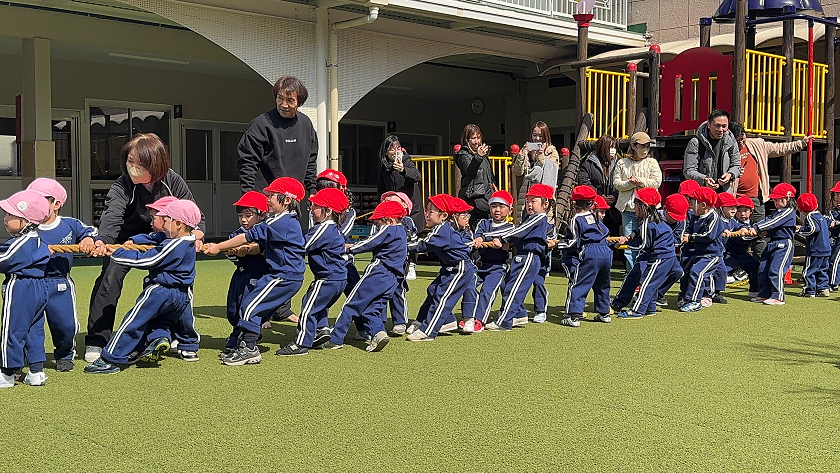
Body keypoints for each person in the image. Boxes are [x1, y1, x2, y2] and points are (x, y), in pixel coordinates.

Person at [85, 133, 205, 363]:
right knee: (109, 278)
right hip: (126, 239)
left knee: (173, 282)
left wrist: (194, 236)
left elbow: (195, 215)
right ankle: (97, 340)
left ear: (155, 164)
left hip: (164, 237)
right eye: (129, 161)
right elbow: (112, 215)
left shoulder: (172, 181)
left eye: (139, 163)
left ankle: (173, 334)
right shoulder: (122, 184)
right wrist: (104, 241)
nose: (132, 167)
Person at [84, 199, 201, 374]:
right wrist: (133, 242)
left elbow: (149, 260)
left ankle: (110, 359)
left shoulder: (173, 244)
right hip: (182, 294)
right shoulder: (188, 241)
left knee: (133, 321)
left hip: (160, 291)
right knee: (160, 322)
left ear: (178, 224)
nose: (162, 224)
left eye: (166, 220)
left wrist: (117, 253)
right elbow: (154, 238)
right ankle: (160, 341)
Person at [203, 177, 306, 366]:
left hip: (284, 276)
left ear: (287, 200)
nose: (268, 199)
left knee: (250, 305)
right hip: (283, 275)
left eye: (272, 195)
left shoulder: (282, 222)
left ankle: (249, 348)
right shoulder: (283, 221)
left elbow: (246, 237)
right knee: (250, 306)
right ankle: (245, 342)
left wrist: (218, 246)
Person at [26, 178, 97, 372]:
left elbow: (90, 231)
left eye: (40, 200)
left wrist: (88, 239)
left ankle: (64, 354)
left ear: (56, 204)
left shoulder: (70, 225)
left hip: (60, 283)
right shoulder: (28, 227)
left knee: (65, 324)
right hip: (33, 282)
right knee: (31, 325)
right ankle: (34, 358)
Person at [325, 200, 408, 352]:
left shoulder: (389, 229)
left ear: (389, 220)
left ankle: (335, 339)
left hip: (378, 272)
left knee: (351, 305)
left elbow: (369, 242)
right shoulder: (402, 232)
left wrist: (347, 248)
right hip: (393, 278)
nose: (376, 224)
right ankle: (379, 333)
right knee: (372, 310)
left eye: (378, 221)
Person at [277, 188, 349, 356]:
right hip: (336, 278)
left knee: (308, 307)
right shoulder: (333, 229)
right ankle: (321, 330)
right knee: (317, 303)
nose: (311, 209)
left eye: (315, 206)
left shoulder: (324, 229)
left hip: (328, 278)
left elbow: (302, 245)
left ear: (328, 211)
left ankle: (301, 343)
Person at [729, 121, 811, 255]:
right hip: (735, 199)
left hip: (756, 197)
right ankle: (735, 261)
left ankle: (762, 261)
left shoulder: (757, 144)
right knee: (734, 232)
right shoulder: (726, 151)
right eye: (737, 141)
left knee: (759, 234)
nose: (741, 142)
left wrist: (801, 143)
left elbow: (779, 148)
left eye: (742, 138)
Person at [483, 184, 555, 331]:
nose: (529, 205)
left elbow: (520, 231)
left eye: (533, 201)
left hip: (528, 256)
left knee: (514, 289)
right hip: (521, 256)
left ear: (545, 204)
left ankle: (504, 321)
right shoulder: (531, 218)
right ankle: (519, 314)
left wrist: (502, 239)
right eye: (527, 201)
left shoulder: (539, 218)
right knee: (507, 285)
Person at [405, 195, 476, 342]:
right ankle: (448, 321)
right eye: (426, 211)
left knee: (443, 298)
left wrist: (401, 246)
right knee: (433, 290)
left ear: (444, 216)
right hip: (450, 267)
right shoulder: (442, 228)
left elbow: (423, 245)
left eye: (431, 212)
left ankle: (428, 331)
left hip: (459, 267)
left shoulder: (442, 230)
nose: (427, 214)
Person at [0, 190, 51, 388]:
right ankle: (36, 371)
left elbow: (4, 259)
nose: (5, 219)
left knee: (12, 329)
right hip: (39, 287)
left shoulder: (20, 242)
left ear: (27, 221)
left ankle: (7, 372)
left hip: (20, 287)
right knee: (34, 329)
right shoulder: (38, 240)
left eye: (10, 215)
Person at [237, 75, 318, 196]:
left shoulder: (306, 125)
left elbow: (311, 161)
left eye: (290, 100)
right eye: (280, 98)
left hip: (294, 198)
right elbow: (248, 161)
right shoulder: (261, 124)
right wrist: (248, 194)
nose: (284, 105)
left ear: (299, 102)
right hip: (265, 196)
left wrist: (312, 189)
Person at [612, 188, 680, 319]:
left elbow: (642, 246)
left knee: (647, 283)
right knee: (650, 281)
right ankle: (650, 307)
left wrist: (625, 243)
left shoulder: (648, 223)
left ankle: (637, 310)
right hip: (667, 257)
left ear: (645, 206)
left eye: (636, 203)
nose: (634, 206)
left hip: (659, 258)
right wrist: (635, 233)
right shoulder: (655, 219)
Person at [219, 192, 269, 358]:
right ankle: (244, 331)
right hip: (241, 275)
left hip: (259, 276)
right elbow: (231, 256)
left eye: (248, 215)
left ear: (261, 215)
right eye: (241, 216)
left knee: (246, 307)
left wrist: (258, 249)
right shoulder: (235, 235)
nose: (244, 220)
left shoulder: (266, 232)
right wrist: (236, 254)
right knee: (233, 309)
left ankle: (239, 338)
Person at [555, 185, 612, 327]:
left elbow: (573, 241)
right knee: (603, 283)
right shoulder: (594, 216)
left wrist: (557, 244)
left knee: (580, 282)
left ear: (574, 203)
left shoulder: (576, 218)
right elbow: (605, 231)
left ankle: (573, 315)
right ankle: (604, 313)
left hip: (590, 251)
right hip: (605, 251)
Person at [466, 190, 515, 333]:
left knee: (487, 291)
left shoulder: (510, 227)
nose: (497, 210)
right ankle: (468, 316)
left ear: (510, 210)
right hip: (480, 265)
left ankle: (479, 320)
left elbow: (508, 239)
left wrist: (502, 243)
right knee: (469, 285)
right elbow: (478, 235)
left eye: (501, 206)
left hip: (497, 267)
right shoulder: (484, 223)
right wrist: (479, 238)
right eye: (494, 206)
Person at [613, 131, 662, 269]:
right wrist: (630, 183)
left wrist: (640, 181)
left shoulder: (652, 162)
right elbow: (616, 183)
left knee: (647, 242)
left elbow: (656, 182)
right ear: (633, 146)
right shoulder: (622, 163)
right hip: (628, 208)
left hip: (648, 210)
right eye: (642, 146)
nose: (646, 149)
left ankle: (646, 272)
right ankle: (631, 274)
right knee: (629, 244)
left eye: (647, 146)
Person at [746, 183, 797, 305]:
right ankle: (764, 294)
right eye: (774, 200)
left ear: (787, 198)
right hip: (772, 243)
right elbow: (768, 220)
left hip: (783, 244)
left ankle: (778, 296)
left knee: (776, 270)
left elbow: (773, 222)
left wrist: (757, 227)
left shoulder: (788, 212)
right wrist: (753, 228)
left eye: (777, 200)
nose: (775, 202)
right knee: (763, 269)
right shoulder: (776, 212)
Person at [679, 187, 724, 313]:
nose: (690, 205)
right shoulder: (695, 216)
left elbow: (709, 235)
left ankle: (695, 301)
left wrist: (690, 237)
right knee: (686, 271)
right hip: (699, 253)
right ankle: (686, 297)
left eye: (693, 202)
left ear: (703, 205)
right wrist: (684, 235)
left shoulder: (714, 217)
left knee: (697, 272)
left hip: (712, 255)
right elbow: (688, 229)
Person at [512, 121, 562, 224]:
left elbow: (549, 172)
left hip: (542, 196)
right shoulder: (528, 151)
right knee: (525, 224)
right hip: (527, 194)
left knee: (543, 225)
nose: (537, 138)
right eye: (535, 135)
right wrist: (522, 155)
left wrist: (541, 155)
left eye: (540, 135)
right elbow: (517, 172)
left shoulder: (551, 152)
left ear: (546, 136)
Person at [682, 109, 740, 193]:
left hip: (725, 193)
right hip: (703, 193)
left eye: (724, 126)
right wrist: (704, 179)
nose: (720, 130)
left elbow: (736, 165)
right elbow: (688, 171)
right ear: (709, 124)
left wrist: (730, 174)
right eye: (717, 126)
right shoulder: (696, 142)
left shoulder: (731, 141)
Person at [377, 135, 424, 237]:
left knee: (413, 237)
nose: (395, 152)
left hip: (411, 208)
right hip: (394, 209)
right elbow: (381, 190)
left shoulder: (406, 161)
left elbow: (417, 176)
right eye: (392, 149)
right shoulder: (384, 168)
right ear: (386, 152)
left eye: (398, 148)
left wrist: (403, 170)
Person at [454, 124, 496, 228]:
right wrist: (478, 157)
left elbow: (489, 174)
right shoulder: (463, 155)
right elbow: (470, 172)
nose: (476, 141)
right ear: (467, 140)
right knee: (478, 228)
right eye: (473, 138)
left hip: (486, 195)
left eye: (478, 137)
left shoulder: (483, 155)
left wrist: (493, 185)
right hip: (473, 197)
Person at [579, 134, 621, 236]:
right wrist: (600, 196)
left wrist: (615, 196)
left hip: (614, 210)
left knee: (614, 237)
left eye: (614, 147)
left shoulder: (619, 164)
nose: (613, 150)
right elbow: (584, 182)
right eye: (610, 147)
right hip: (595, 208)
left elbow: (623, 181)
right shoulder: (589, 164)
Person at [722, 197, 760, 297]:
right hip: (729, 254)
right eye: (739, 211)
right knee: (721, 271)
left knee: (755, 266)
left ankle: (754, 290)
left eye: (745, 211)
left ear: (751, 211)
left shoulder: (754, 224)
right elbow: (742, 239)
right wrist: (757, 235)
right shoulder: (733, 223)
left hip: (742, 254)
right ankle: (711, 292)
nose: (742, 214)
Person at [796, 193, 831, 298]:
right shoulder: (821, 216)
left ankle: (809, 290)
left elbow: (813, 229)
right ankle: (823, 288)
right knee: (822, 270)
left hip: (815, 249)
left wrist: (800, 230)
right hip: (826, 249)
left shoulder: (810, 217)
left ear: (800, 210)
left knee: (809, 270)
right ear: (816, 205)